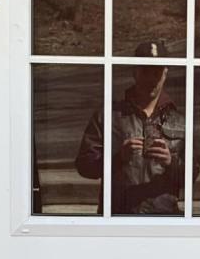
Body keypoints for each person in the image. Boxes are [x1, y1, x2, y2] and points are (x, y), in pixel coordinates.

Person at [76, 61, 185, 216]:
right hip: (118, 216)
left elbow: (192, 175)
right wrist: (118, 158)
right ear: (135, 72)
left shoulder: (178, 120)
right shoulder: (108, 116)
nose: (151, 80)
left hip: (164, 218)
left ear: (165, 74)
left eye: (157, 73)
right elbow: (85, 166)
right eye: (146, 72)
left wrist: (170, 163)